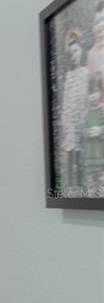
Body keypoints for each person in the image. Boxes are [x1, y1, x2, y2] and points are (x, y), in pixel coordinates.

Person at [60, 27, 89, 191]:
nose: (75, 55)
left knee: (81, 156)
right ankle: (72, 186)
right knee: (71, 153)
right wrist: (66, 123)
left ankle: (81, 184)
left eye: (76, 51)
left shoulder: (86, 72)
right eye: (72, 53)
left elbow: (88, 98)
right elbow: (66, 102)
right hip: (71, 122)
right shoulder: (69, 77)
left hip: (82, 120)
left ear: (81, 50)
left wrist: (85, 117)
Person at [83, 72, 104, 195]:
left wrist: (100, 131)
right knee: (91, 187)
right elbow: (83, 131)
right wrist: (88, 132)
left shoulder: (102, 110)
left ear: (101, 92)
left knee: (101, 185)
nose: (93, 95)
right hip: (90, 158)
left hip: (101, 157)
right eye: (91, 92)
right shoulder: (86, 112)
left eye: (96, 91)